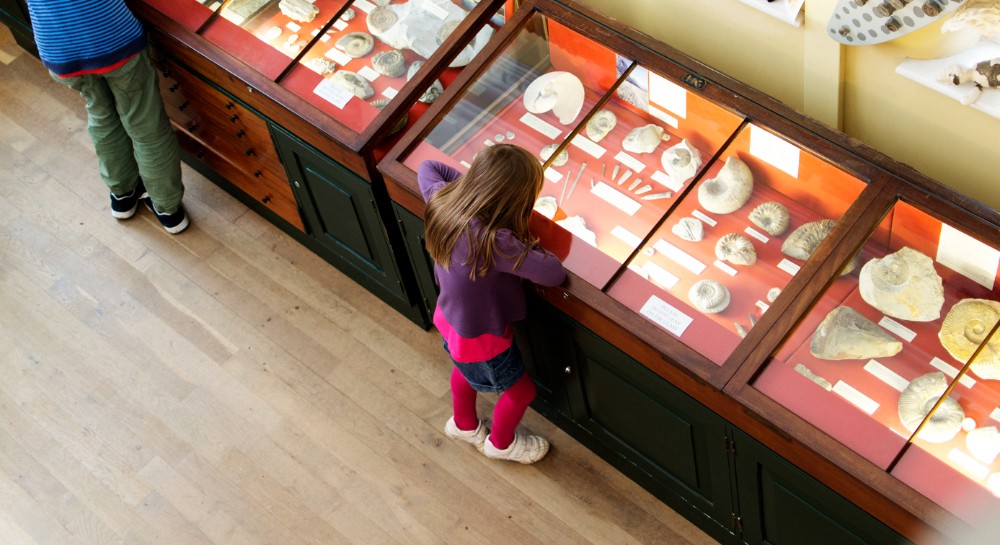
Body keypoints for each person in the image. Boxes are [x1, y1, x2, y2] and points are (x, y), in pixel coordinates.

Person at [419, 144, 566, 464]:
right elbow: (553, 273)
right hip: (482, 339)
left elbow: (428, 166)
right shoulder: (496, 241)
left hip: (448, 320)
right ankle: (501, 444)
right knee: (521, 392)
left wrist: (471, 191)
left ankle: (464, 424)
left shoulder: (443, 201)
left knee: (462, 369)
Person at [25, 0, 189, 233]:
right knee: (146, 127)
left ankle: (122, 194)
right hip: (112, 38)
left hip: (58, 47)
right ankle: (167, 209)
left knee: (101, 113)